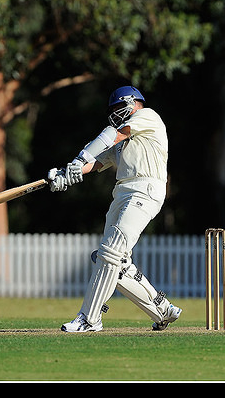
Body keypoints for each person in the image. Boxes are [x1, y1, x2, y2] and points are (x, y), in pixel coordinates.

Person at [48, 86, 182, 332]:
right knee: (113, 261)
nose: (115, 113)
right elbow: (96, 160)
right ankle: (162, 310)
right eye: (112, 110)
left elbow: (112, 135)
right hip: (122, 192)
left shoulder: (146, 117)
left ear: (133, 103)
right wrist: (66, 173)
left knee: (110, 253)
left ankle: (90, 318)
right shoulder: (121, 141)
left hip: (145, 189)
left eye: (118, 107)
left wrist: (78, 159)